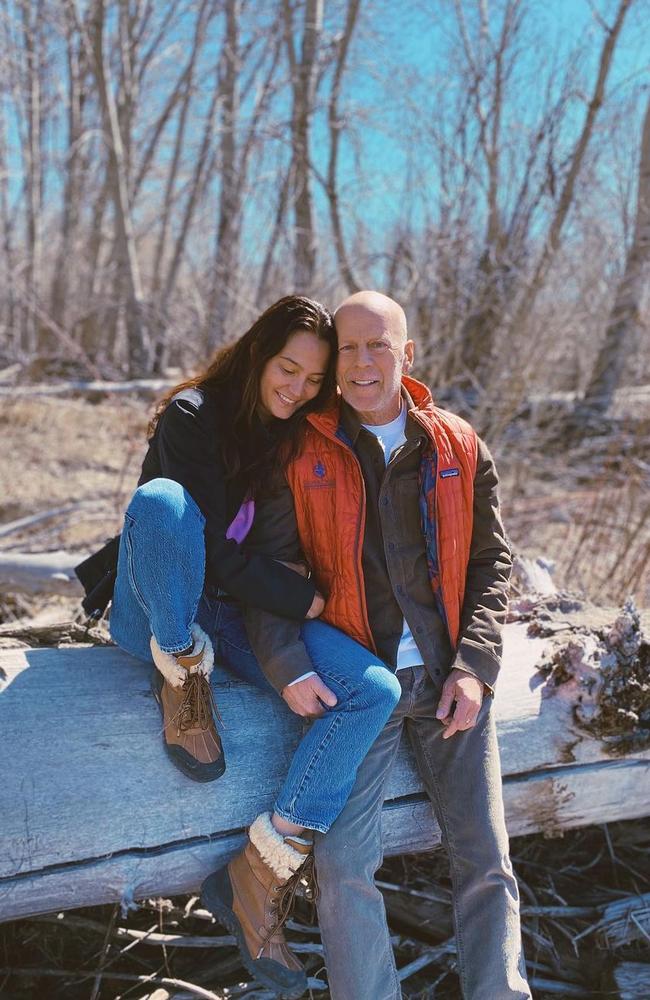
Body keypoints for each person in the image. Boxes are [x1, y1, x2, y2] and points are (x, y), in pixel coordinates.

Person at [230, 291, 532, 999]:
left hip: (450, 684)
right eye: (350, 348)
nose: (363, 362)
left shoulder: (458, 445)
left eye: (379, 346)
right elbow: (270, 573)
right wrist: (286, 663)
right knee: (341, 869)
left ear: (408, 354)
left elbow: (492, 564)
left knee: (486, 858)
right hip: (358, 691)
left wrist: (476, 668)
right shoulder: (300, 450)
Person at [104, 295, 401, 998]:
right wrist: (301, 596)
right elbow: (200, 544)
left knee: (373, 691)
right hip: (154, 604)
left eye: (311, 380)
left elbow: (261, 555)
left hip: (232, 611)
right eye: (287, 368)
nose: (296, 389)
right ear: (258, 354)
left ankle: (260, 868)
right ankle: (180, 677)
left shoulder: (296, 439)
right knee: (165, 503)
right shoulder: (194, 416)